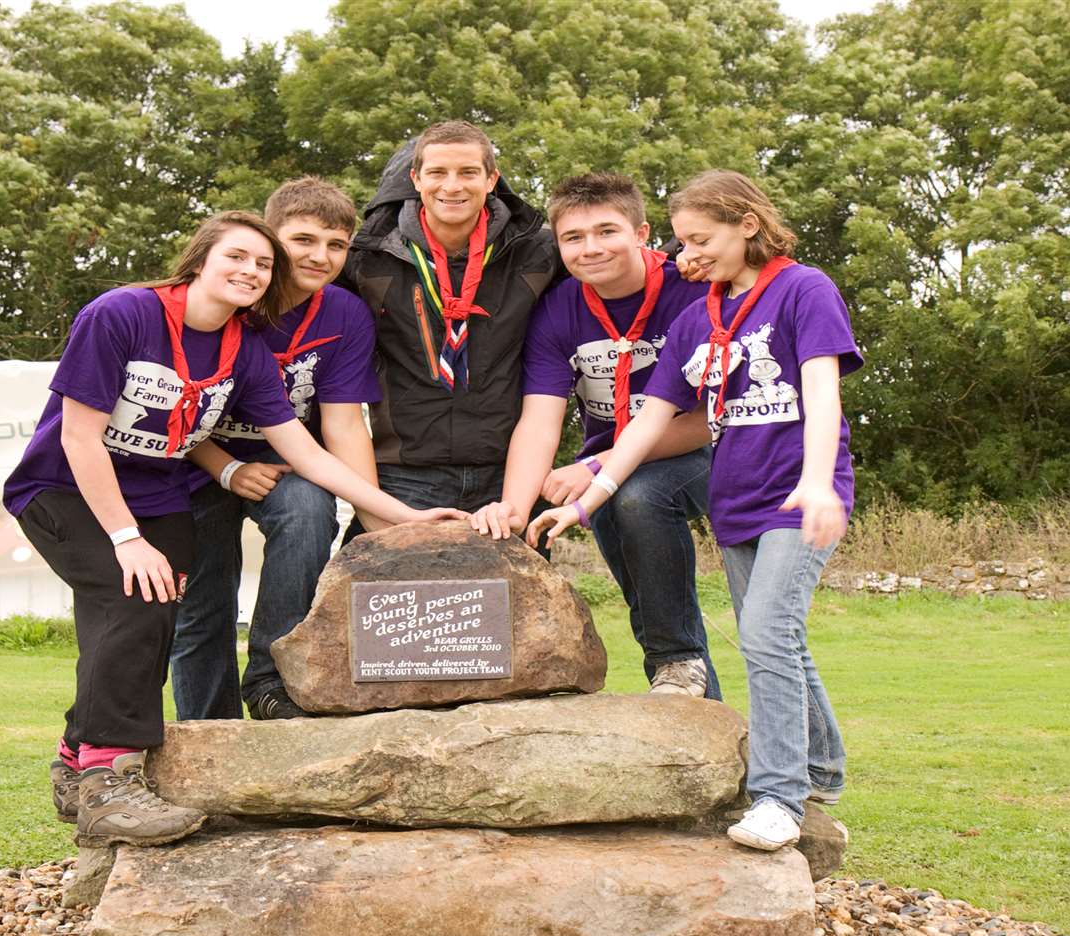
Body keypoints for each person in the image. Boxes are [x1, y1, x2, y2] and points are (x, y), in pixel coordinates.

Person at [3, 211, 461, 849]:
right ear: (199, 261)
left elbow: (305, 453)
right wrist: (125, 538)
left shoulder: (243, 348)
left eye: (262, 264)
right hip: (67, 488)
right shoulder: (120, 314)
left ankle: (75, 755)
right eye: (237, 258)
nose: (251, 271)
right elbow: (80, 436)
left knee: (147, 617)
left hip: (158, 494)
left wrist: (401, 514)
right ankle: (108, 782)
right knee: (135, 595)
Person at [528, 170, 863, 852]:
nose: (689, 255)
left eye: (701, 239)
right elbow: (647, 426)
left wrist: (821, 481)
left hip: (795, 497)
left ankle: (778, 798)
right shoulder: (696, 319)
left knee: (767, 636)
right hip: (736, 497)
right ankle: (822, 765)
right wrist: (588, 499)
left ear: (747, 223)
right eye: (682, 242)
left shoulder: (804, 289)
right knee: (774, 637)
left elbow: (822, 391)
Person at [470, 172, 722, 698]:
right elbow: (541, 419)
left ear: (641, 231)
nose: (591, 249)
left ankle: (676, 659)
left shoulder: (691, 292)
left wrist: (593, 466)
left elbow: (708, 417)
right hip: (608, 471)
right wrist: (514, 511)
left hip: (704, 452)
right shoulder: (558, 310)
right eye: (573, 238)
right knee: (652, 601)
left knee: (638, 496)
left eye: (606, 231)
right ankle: (699, 724)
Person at [170, 179, 381, 721]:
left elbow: (344, 425)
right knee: (204, 604)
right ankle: (208, 730)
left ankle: (270, 681)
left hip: (289, 460)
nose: (320, 256)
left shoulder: (345, 314)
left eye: (336, 245)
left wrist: (380, 520)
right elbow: (174, 409)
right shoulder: (228, 298)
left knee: (310, 513)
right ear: (270, 238)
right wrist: (225, 467)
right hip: (195, 461)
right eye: (303, 240)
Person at [341, 120, 563, 517]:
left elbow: (618, 270)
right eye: (438, 173)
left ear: (492, 178)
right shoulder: (368, 256)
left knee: (523, 581)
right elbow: (294, 292)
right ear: (416, 178)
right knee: (368, 579)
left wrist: (687, 260)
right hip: (404, 474)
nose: (452, 186)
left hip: (508, 471)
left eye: (468, 173)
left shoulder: (539, 251)